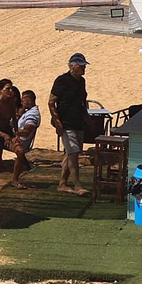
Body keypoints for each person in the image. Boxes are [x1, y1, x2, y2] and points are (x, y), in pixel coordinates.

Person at [48, 53, 90, 196]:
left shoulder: (81, 81)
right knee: (73, 153)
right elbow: (51, 102)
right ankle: (77, 185)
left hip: (78, 122)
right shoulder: (62, 81)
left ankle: (63, 183)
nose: (84, 68)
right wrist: (58, 122)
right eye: (81, 66)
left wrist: (86, 117)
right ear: (72, 66)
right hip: (66, 123)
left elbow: (83, 101)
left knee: (70, 153)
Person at [10, 89, 41, 188]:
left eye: (23, 100)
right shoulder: (28, 112)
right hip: (17, 138)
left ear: (29, 101)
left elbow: (26, 132)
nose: (21, 102)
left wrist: (14, 133)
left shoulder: (32, 114)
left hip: (20, 141)